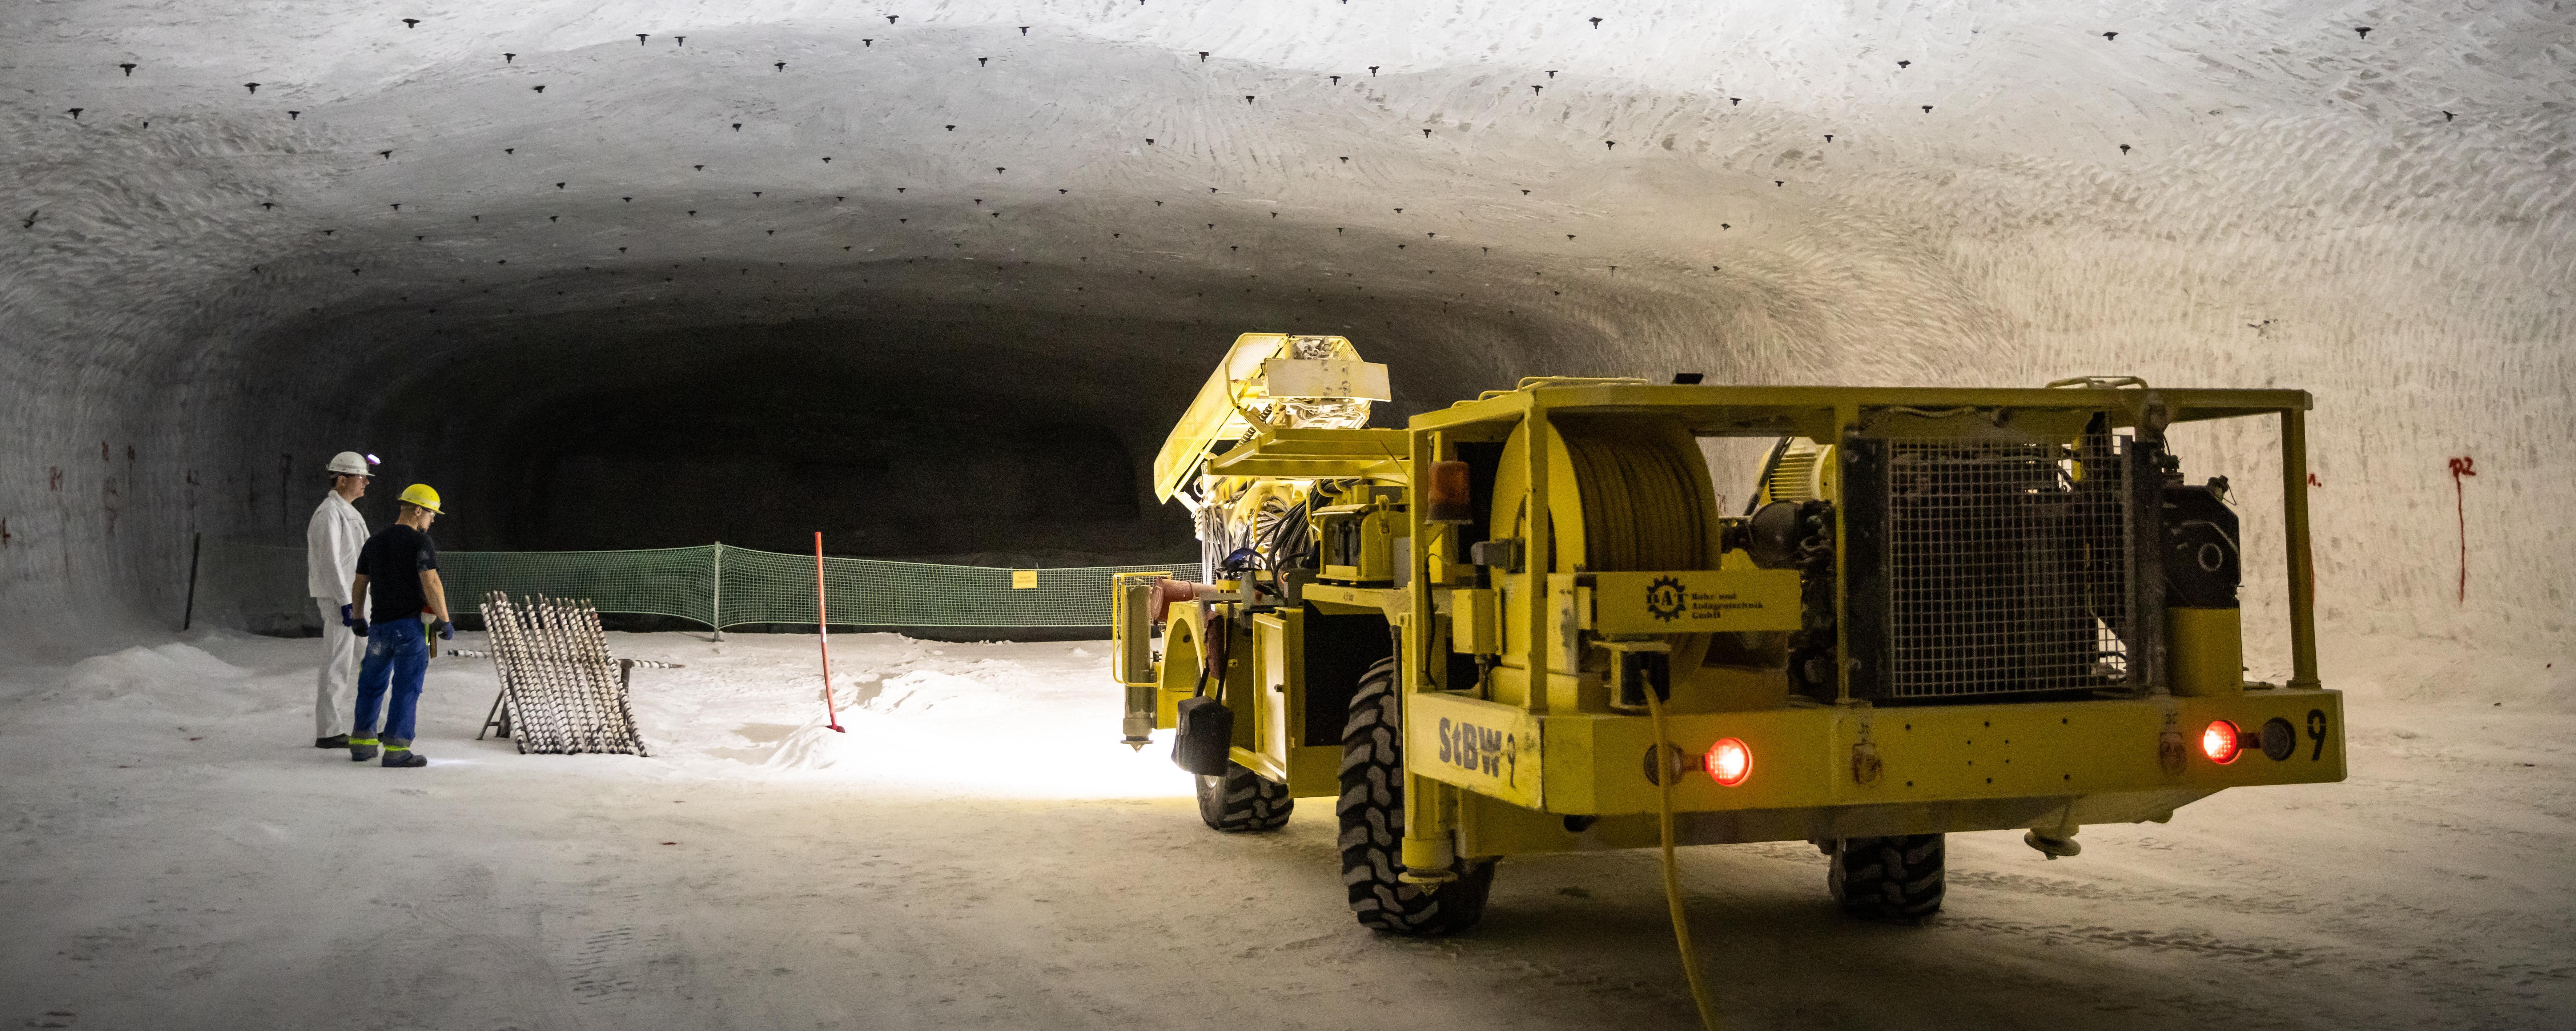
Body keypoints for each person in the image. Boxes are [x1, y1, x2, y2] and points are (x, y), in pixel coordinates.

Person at [345, 484, 453, 768]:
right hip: (410, 628)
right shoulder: (420, 543)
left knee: (370, 684)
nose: (432, 520)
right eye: (431, 514)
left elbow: (360, 582)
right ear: (418, 511)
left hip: (379, 628)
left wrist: (358, 616)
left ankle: (362, 745)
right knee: (407, 687)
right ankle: (396, 750)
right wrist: (445, 619)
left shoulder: (375, 542)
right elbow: (431, 582)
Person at [305, 451, 374, 749]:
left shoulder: (347, 511)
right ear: (342, 479)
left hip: (356, 599)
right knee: (338, 663)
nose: (366, 484)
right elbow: (331, 561)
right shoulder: (329, 513)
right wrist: (346, 602)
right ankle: (329, 730)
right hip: (341, 601)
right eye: (361, 478)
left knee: (371, 661)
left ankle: (376, 724)